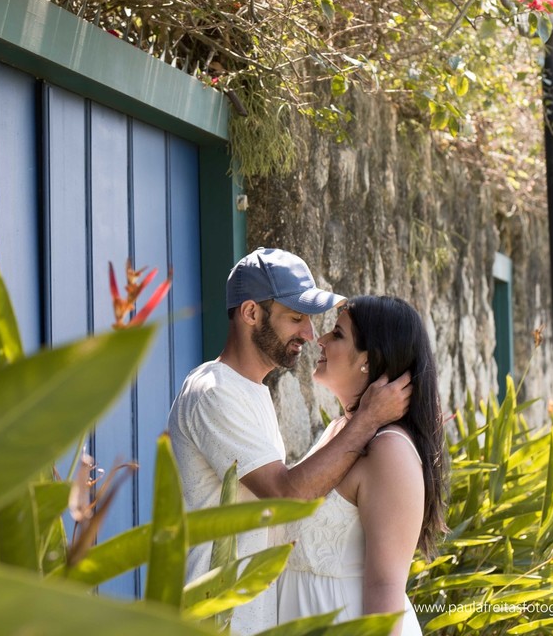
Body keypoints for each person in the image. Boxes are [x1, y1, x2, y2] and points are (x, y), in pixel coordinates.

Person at [167, 248, 412, 635]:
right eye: (296, 318)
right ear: (251, 314)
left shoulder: (252, 391)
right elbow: (286, 496)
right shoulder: (214, 392)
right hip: (216, 620)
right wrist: (367, 418)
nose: (310, 334)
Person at [276, 295, 447, 636]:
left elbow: (385, 587)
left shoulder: (390, 452)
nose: (320, 340)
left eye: (337, 334)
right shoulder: (339, 432)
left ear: (369, 361)